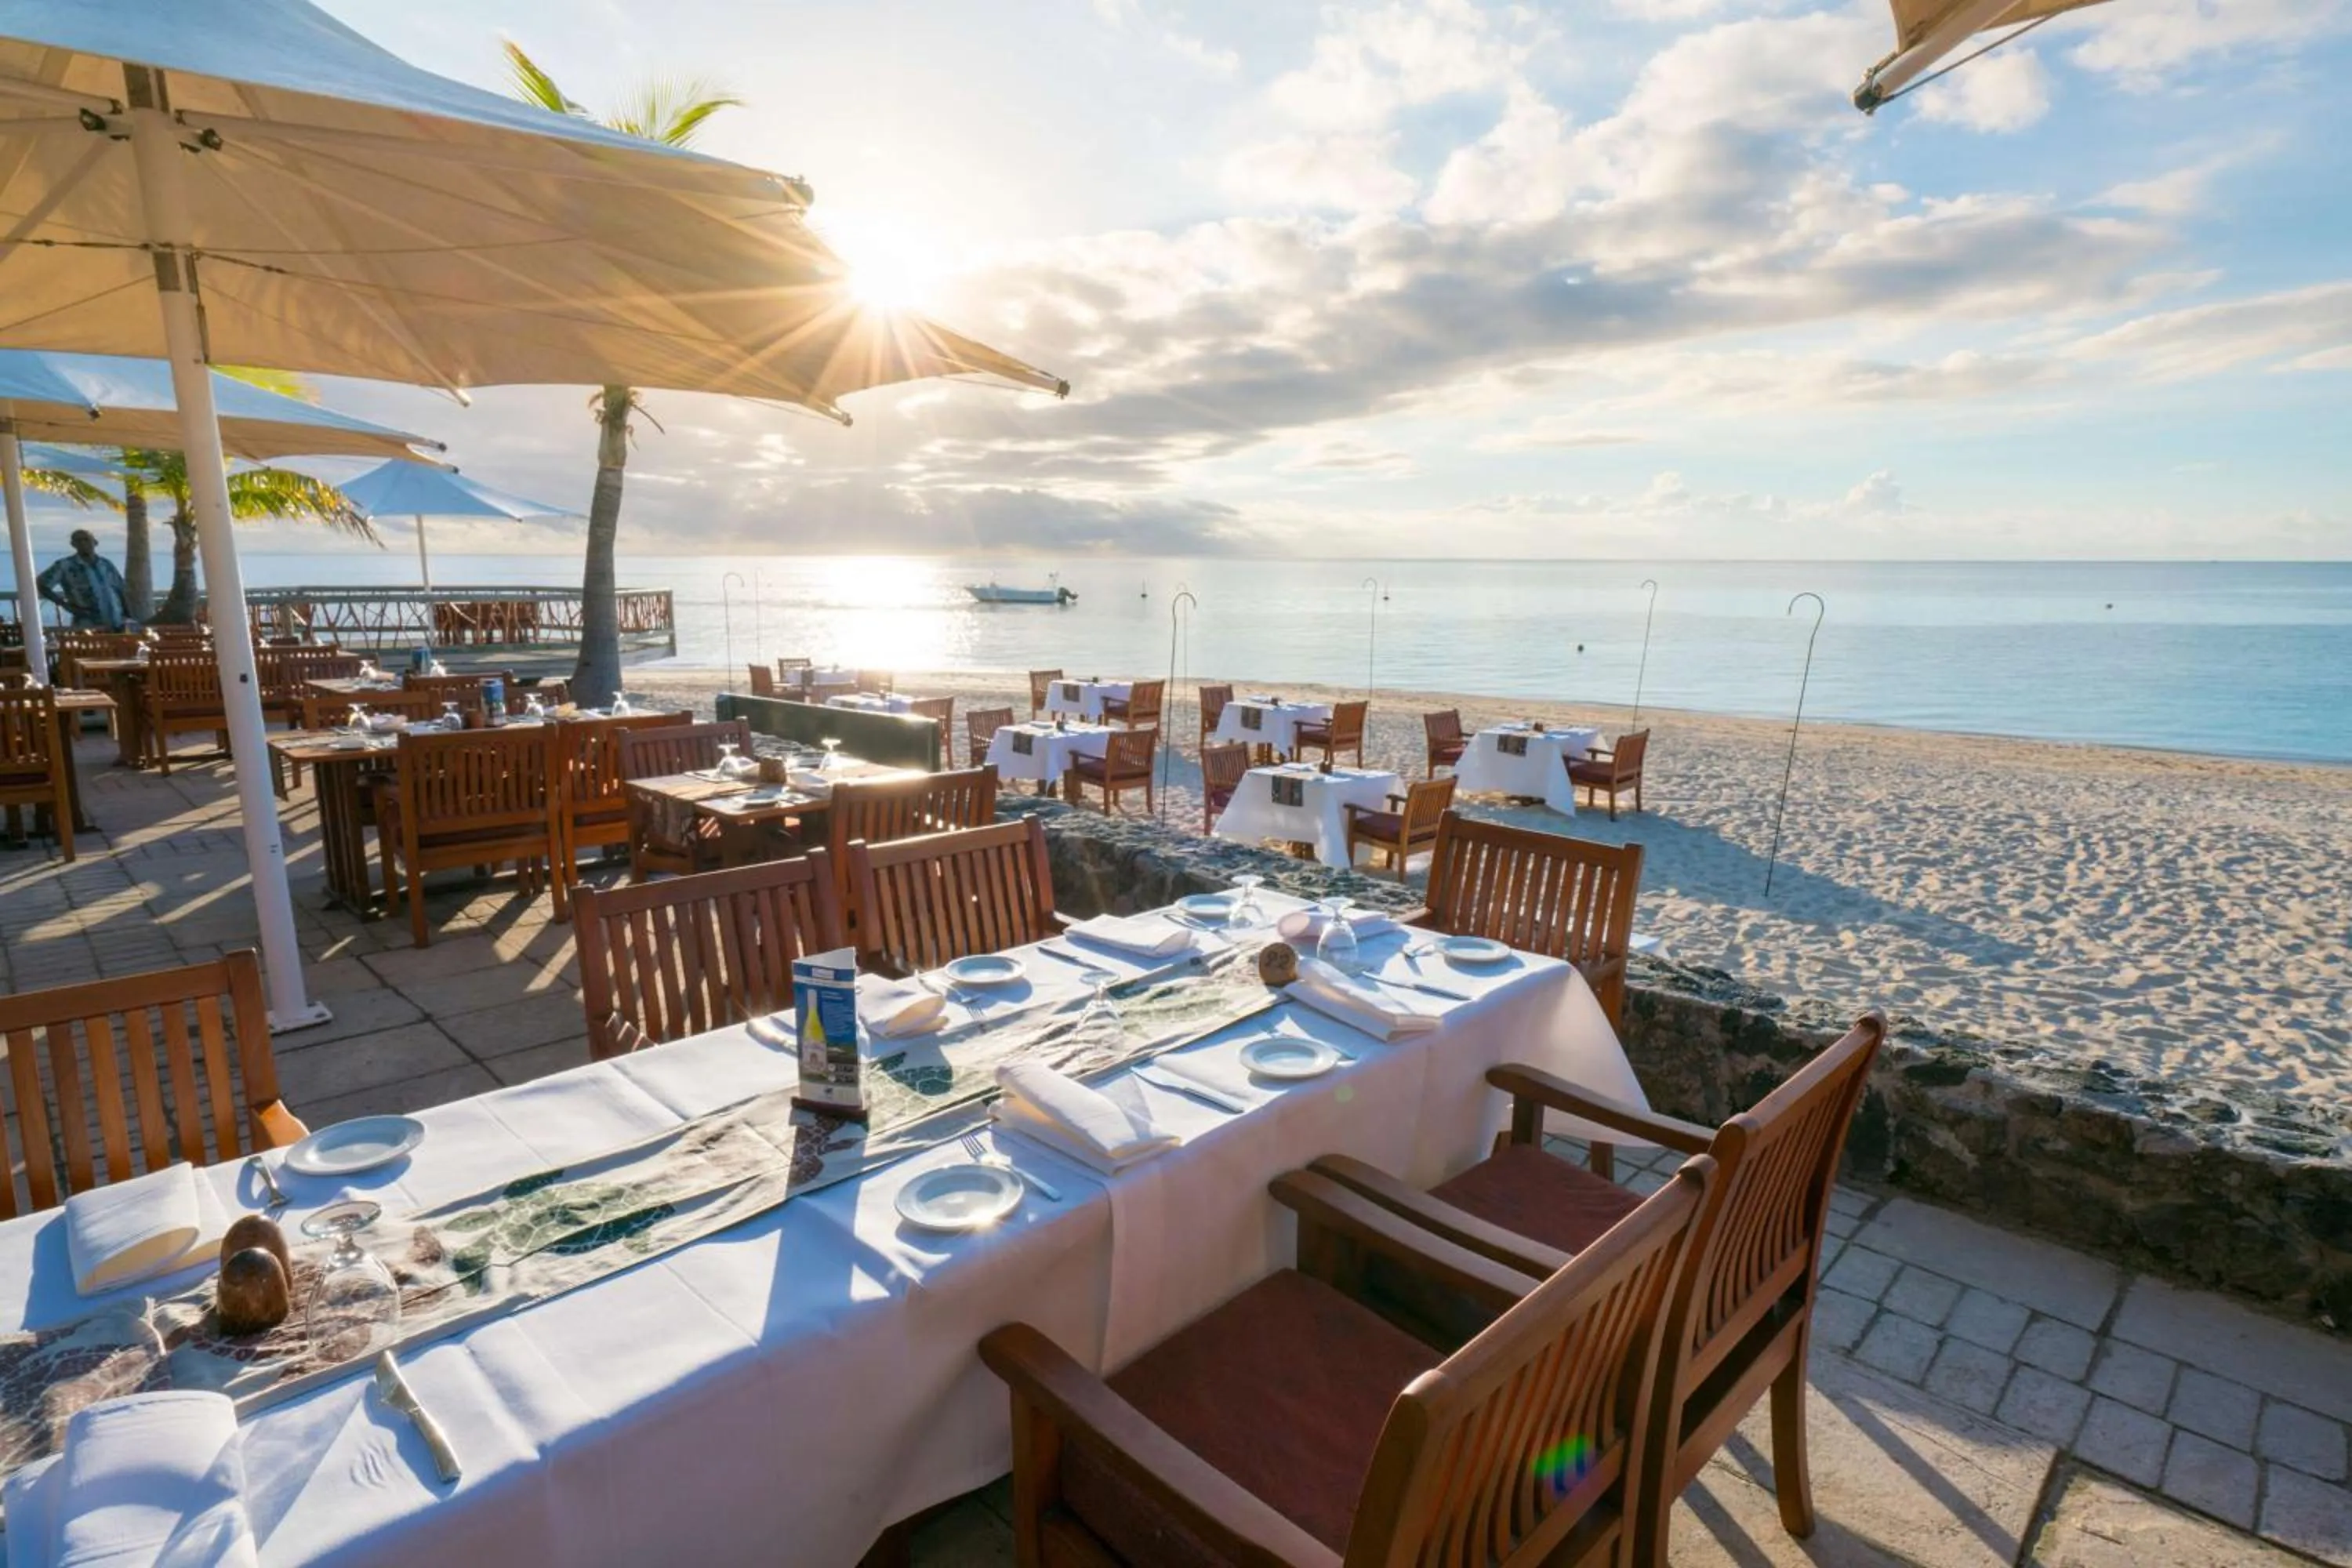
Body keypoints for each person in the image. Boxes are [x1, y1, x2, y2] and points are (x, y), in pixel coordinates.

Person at [36, 530, 129, 631]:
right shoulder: (65, 565)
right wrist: (65, 605)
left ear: (95, 542)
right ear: (73, 544)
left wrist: (127, 614)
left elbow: (120, 589)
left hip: (116, 621)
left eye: (86, 540)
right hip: (87, 623)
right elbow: (41, 584)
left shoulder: (106, 564)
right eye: (78, 540)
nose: (83, 543)